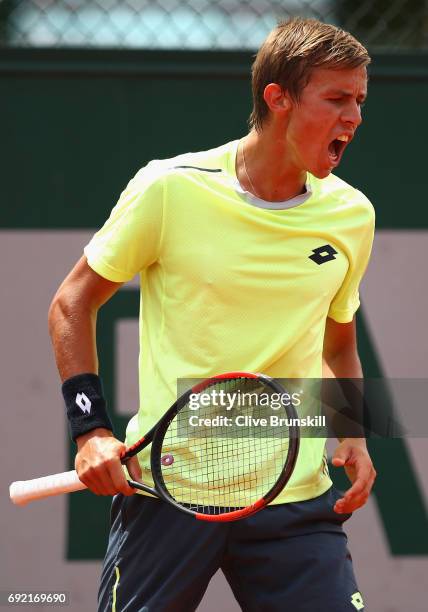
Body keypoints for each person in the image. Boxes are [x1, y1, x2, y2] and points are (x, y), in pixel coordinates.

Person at [49, 17, 376, 612]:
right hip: (169, 494)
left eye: (359, 100)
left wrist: (352, 430)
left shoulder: (352, 214)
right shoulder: (169, 189)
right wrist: (91, 431)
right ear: (277, 98)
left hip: (293, 495)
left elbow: (338, 341)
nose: (353, 117)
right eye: (336, 99)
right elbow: (72, 303)